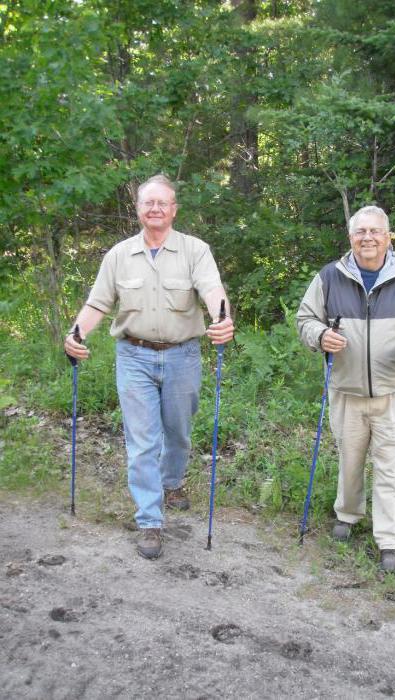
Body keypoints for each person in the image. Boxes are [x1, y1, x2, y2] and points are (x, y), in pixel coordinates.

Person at [64, 174, 234, 560]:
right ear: (138, 209)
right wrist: (76, 334)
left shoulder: (195, 250)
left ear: (174, 209)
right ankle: (150, 520)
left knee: (178, 434)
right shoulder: (119, 255)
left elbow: (211, 289)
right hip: (133, 356)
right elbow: (97, 304)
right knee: (142, 441)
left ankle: (171, 482)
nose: (155, 209)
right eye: (148, 203)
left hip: (182, 356)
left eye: (163, 203)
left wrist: (220, 318)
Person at [296, 205, 395, 572]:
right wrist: (320, 335)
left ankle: (391, 539)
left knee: (393, 468)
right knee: (349, 459)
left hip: (394, 391)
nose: (368, 238)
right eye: (361, 231)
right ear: (350, 238)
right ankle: (347, 514)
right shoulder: (330, 277)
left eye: (375, 231)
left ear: (388, 236)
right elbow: (305, 319)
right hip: (346, 389)